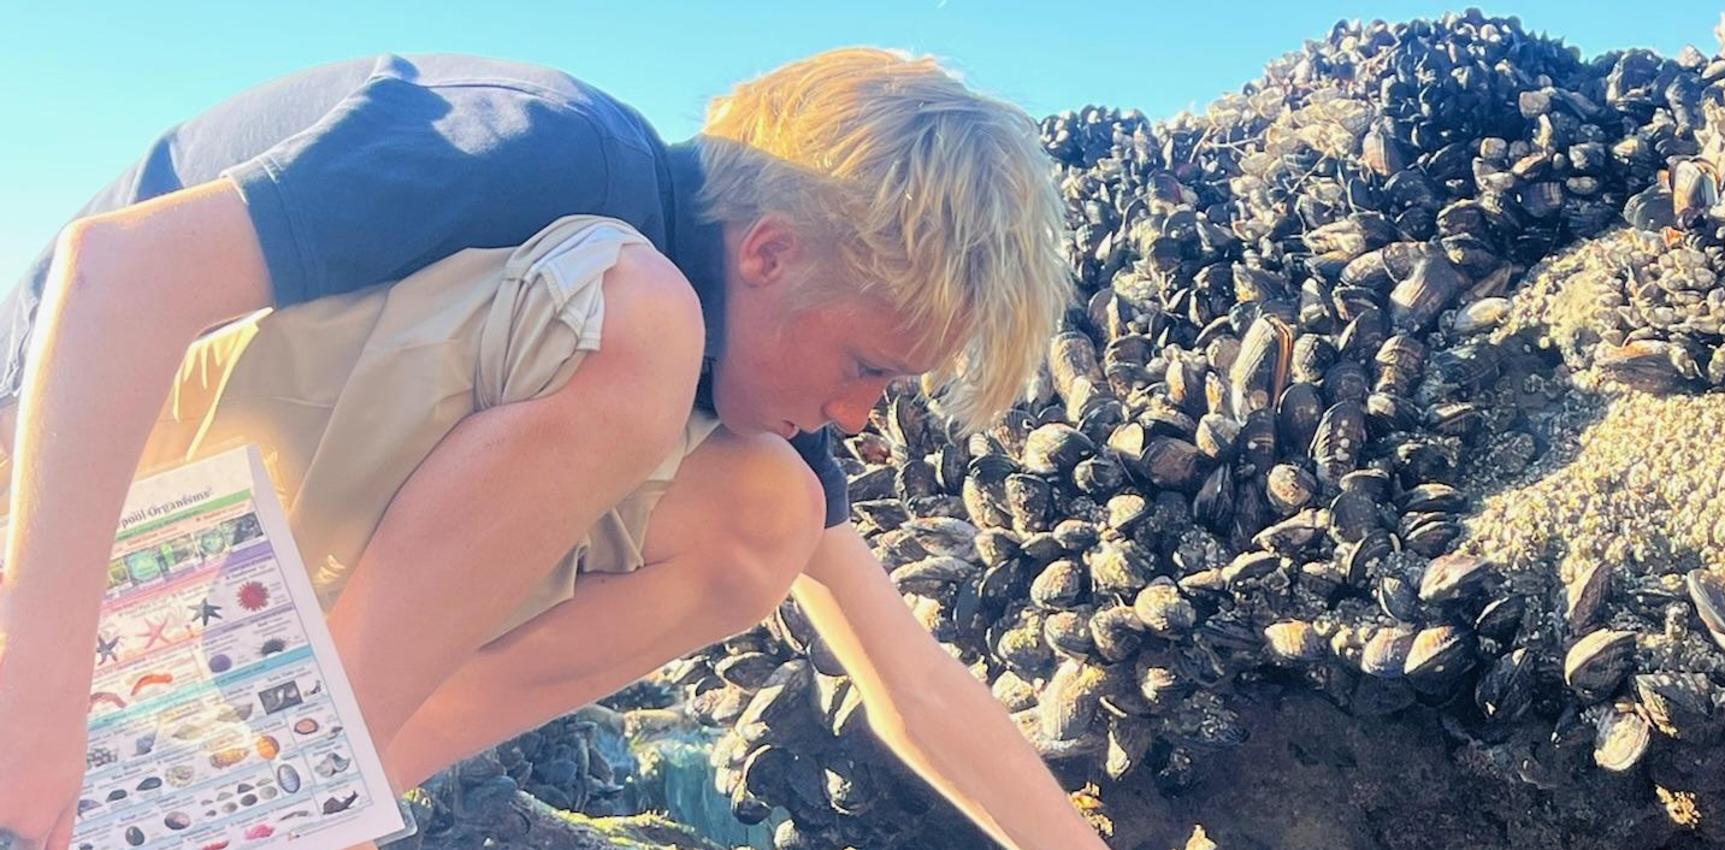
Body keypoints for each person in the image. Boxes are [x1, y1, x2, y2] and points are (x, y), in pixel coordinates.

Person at [0, 49, 1105, 850]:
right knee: (639, 323)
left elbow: (908, 679)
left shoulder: (729, 386)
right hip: (62, 493)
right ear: (768, 252)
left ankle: (297, 804)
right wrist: (35, 701)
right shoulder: (549, 141)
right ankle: (297, 782)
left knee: (764, 516)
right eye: (868, 364)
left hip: (217, 575)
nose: (862, 415)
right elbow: (115, 273)